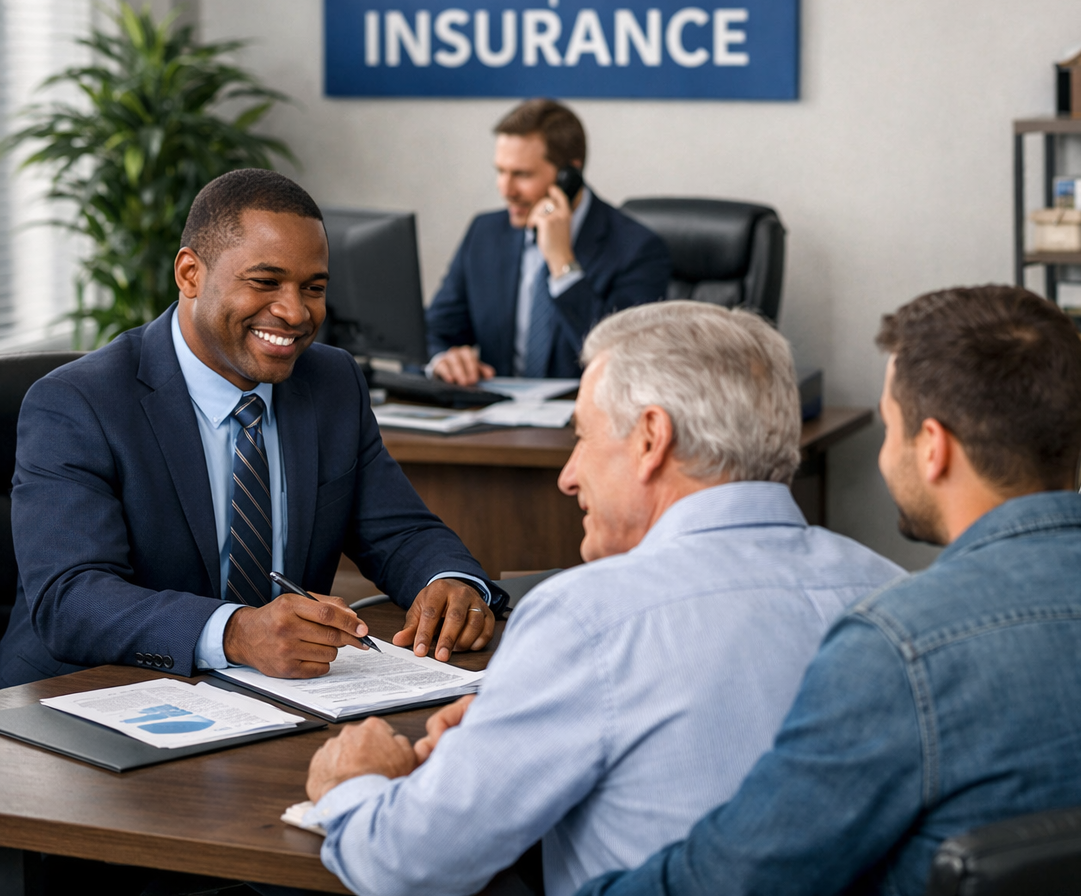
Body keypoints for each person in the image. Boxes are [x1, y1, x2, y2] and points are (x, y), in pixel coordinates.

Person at [573, 286, 1081, 896]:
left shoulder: (898, 645)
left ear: (932, 447)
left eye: (890, 426)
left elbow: (737, 877)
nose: (882, 453)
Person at [300, 300, 904, 896]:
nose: (568, 474)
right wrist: (510, 727)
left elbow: (406, 865)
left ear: (650, 439)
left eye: (583, 437)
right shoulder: (898, 596)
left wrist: (353, 784)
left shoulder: (589, 619)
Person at [0, 169, 504, 688]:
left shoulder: (331, 382)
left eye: (313, 288)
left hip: (270, 700)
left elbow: (401, 530)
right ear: (190, 273)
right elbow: (71, 598)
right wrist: (236, 633)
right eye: (265, 282)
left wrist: (449, 580)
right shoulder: (77, 402)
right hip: (89, 698)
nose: (294, 312)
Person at [425, 98, 671, 383]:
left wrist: (562, 263)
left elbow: (626, 360)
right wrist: (442, 359)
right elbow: (433, 331)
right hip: (492, 417)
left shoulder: (638, 248)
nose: (506, 189)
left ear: (569, 174)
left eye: (522, 174)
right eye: (501, 171)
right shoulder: (486, 233)